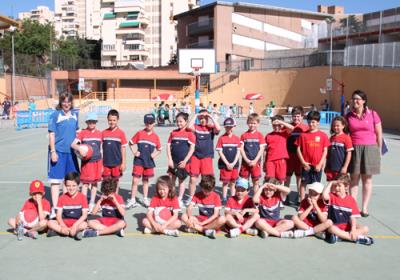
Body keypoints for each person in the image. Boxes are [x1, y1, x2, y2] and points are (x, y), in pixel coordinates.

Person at [346, 90, 382, 217]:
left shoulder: (373, 114)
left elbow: (379, 133)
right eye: (353, 98)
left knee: (367, 179)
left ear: (364, 101)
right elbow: (345, 134)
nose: (355, 101)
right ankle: (353, 207)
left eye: (358, 99)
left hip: (370, 148)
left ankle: (365, 208)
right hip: (354, 148)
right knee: (354, 179)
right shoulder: (348, 116)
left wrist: (379, 151)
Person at [48, 92, 79, 218]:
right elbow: (51, 134)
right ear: (61, 102)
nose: (66, 104)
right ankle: (55, 208)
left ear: (71, 102)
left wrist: (80, 147)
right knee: (56, 181)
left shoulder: (75, 115)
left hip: (71, 153)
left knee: (70, 181)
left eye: (69, 101)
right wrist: (53, 152)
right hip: (59, 152)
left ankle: (66, 206)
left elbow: (77, 132)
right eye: (64, 101)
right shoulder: (55, 115)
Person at [322, 174, 374, 245]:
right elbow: (324, 196)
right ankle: (357, 238)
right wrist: (330, 183)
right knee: (331, 228)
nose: (337, 188)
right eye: (335, 185)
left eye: (339, 186)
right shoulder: (332, 196)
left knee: (365, 228)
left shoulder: (351, 200)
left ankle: (341, 237)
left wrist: (353, 229)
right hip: (335, 226)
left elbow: (352, 217)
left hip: (347, 227)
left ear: (346, 187)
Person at [126, 114, 161, 208]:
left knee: (145, 181)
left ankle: (145, 199)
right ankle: (132, 199)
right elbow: (130, 143)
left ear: (154, 123)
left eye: (150, 123)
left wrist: (154, 154)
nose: (148, 124)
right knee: (135, 180)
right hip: (139, 161)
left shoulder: (156, 137)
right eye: (147, 123)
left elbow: (159, 149)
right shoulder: (139, 133)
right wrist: (134, 152)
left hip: (149, 162)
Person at [71, 112, 102, 213]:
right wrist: (79, 149)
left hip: (97, 162)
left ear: (96, 122)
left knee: (94, 184)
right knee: (84, 184)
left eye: (93, 121)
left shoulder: (99, 133)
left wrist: (102, 163)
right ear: (87, 122)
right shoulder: (82, 133)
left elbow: (101, 149)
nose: (91, 123)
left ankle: (92, 203)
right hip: (86, 163)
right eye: (89, 121)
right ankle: (83, 204)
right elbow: (74, 144)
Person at [187, 109, 220, 205]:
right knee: (193, 179)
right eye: (201, 118)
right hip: (195, 156)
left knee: (207, 179)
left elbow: (218, 129)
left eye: (204, 118)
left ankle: (208, 198)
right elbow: (189, 126)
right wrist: (197, 115)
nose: (203, 120)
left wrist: (210, 116)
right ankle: (191, 198)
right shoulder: (196, 127)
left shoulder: (211, 128)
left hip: (207, 157)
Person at [296, 111, 330, 201]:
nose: (311, 124)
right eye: (309, 122)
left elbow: (325, 151)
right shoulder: (303, 135)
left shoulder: (323, 135)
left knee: (316, 185)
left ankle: (313, 201)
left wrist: (320, 164)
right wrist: (303, 162)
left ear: (318, 122)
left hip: (317, 166)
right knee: (303, 183)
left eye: (313, 122)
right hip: (306, 165)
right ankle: (302, 201)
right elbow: (298, 149)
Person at [47, 172, 88, 240]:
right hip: (65, 222)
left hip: (77, 222)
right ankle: (70, 232)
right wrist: (62, 225)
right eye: (68, 186)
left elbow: (84, 215)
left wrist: (75, 225)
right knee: (50, 223)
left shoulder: (83, 197)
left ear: (78, 185)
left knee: (85, 224)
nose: (71, 188)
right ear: (65, 185)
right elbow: (58, 215)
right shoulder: (62, 197)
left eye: (74, 185)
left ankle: (61, 232)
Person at [166, 112, 195, 206]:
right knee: (171, 180)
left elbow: (192, 149)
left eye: (181, 121)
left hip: (183, 162)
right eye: (177, 121)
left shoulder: (190, 134)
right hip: (173, 161)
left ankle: (180, 198)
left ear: (186, 122)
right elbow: (168, 146)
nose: (179, 123)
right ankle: (172, 197)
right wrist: (170, 160)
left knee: (181, 181)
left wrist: (185, 161)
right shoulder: (173, 133)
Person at [285, 106, 309, 205]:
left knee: (299, 177)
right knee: (288, 177)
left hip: (300, 158)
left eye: (298, 116)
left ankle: (299, 196)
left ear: (302, 117)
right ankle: (285, 196)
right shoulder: (287, 127)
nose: (296, 118)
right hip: (289, 156)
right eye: (294, 116)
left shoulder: (306, 128)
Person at [216, 117, 241, 204]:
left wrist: (233, 163)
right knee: (225, 183)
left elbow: (238, 152)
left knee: (233, 182)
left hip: (234, 164)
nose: (228, 128)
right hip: (224, 165)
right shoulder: (221, 138)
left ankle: (233, 197)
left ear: (234, 126)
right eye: (227, 127)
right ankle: (224, 198)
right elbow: (220, 152)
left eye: (230, 127)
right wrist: (227, 163)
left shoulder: (237, 138)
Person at [263, 115, 294, 184]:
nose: (276, 127)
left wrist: (281, 122)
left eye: (278, 125)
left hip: (281, 161)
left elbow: (292, 128)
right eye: (274, 125)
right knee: (270, 180)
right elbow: (265, 151)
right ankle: (270, 194)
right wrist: (264, 163)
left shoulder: (284, 133)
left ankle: (280, 194)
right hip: (270, 161)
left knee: (281, 181)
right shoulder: (268, 135)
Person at [239, 113, 266, 193]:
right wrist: (247, 160)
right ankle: (245, 198)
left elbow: (261, 149)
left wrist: (255, 161)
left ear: (258, 124)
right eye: (250, 123)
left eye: (254, 123)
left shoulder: (260, 135)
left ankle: (255, 200)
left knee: (256, 182)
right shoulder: (244, 135)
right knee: (243, 182)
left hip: (256, 163)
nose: (252, 125)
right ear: (247, 123)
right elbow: (241, 148)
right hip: (245, 163)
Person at [102, 109, 127, 192]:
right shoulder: (103, 133)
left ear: (117, 120)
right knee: (106, 181)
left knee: (115, 181)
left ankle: (115, 197)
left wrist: (123, 163)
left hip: (117, 163)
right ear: (107, 119)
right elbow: (100, 149)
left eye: (114, 120)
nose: (112, 122)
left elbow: (123, 149)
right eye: (110, 120)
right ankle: (106, 198)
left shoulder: (121, 133)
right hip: (105, 163)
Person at [325, 116, 353, 181]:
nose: (335, 127)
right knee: (331, 185)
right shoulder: (331, 138)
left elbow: (349, 153)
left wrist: (345, 167)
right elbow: (328, 154)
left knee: (340, 186)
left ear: (343, 126)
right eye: (334, 125)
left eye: (338, 126)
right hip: (330, 168)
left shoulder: (346, 138)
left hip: (340, 169)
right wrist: (326, 165)